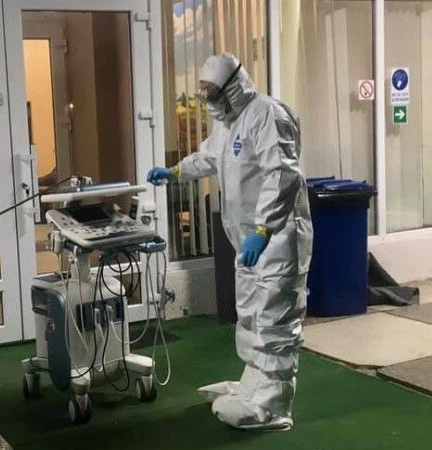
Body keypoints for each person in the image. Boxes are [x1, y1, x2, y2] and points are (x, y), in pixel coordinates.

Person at [147, 53, 312, 430]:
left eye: (210, 91)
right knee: (252, 316)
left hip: (277, 238)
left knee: (275, 318)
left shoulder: (267, 115)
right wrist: (175, 172)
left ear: (232, 87)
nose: (206, 98)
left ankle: (273, 406)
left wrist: (264, 230)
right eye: (202, 91)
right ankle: (253, 386)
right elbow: (210, 156)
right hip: (249, 241)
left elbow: (281, 175)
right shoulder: (229, 123)